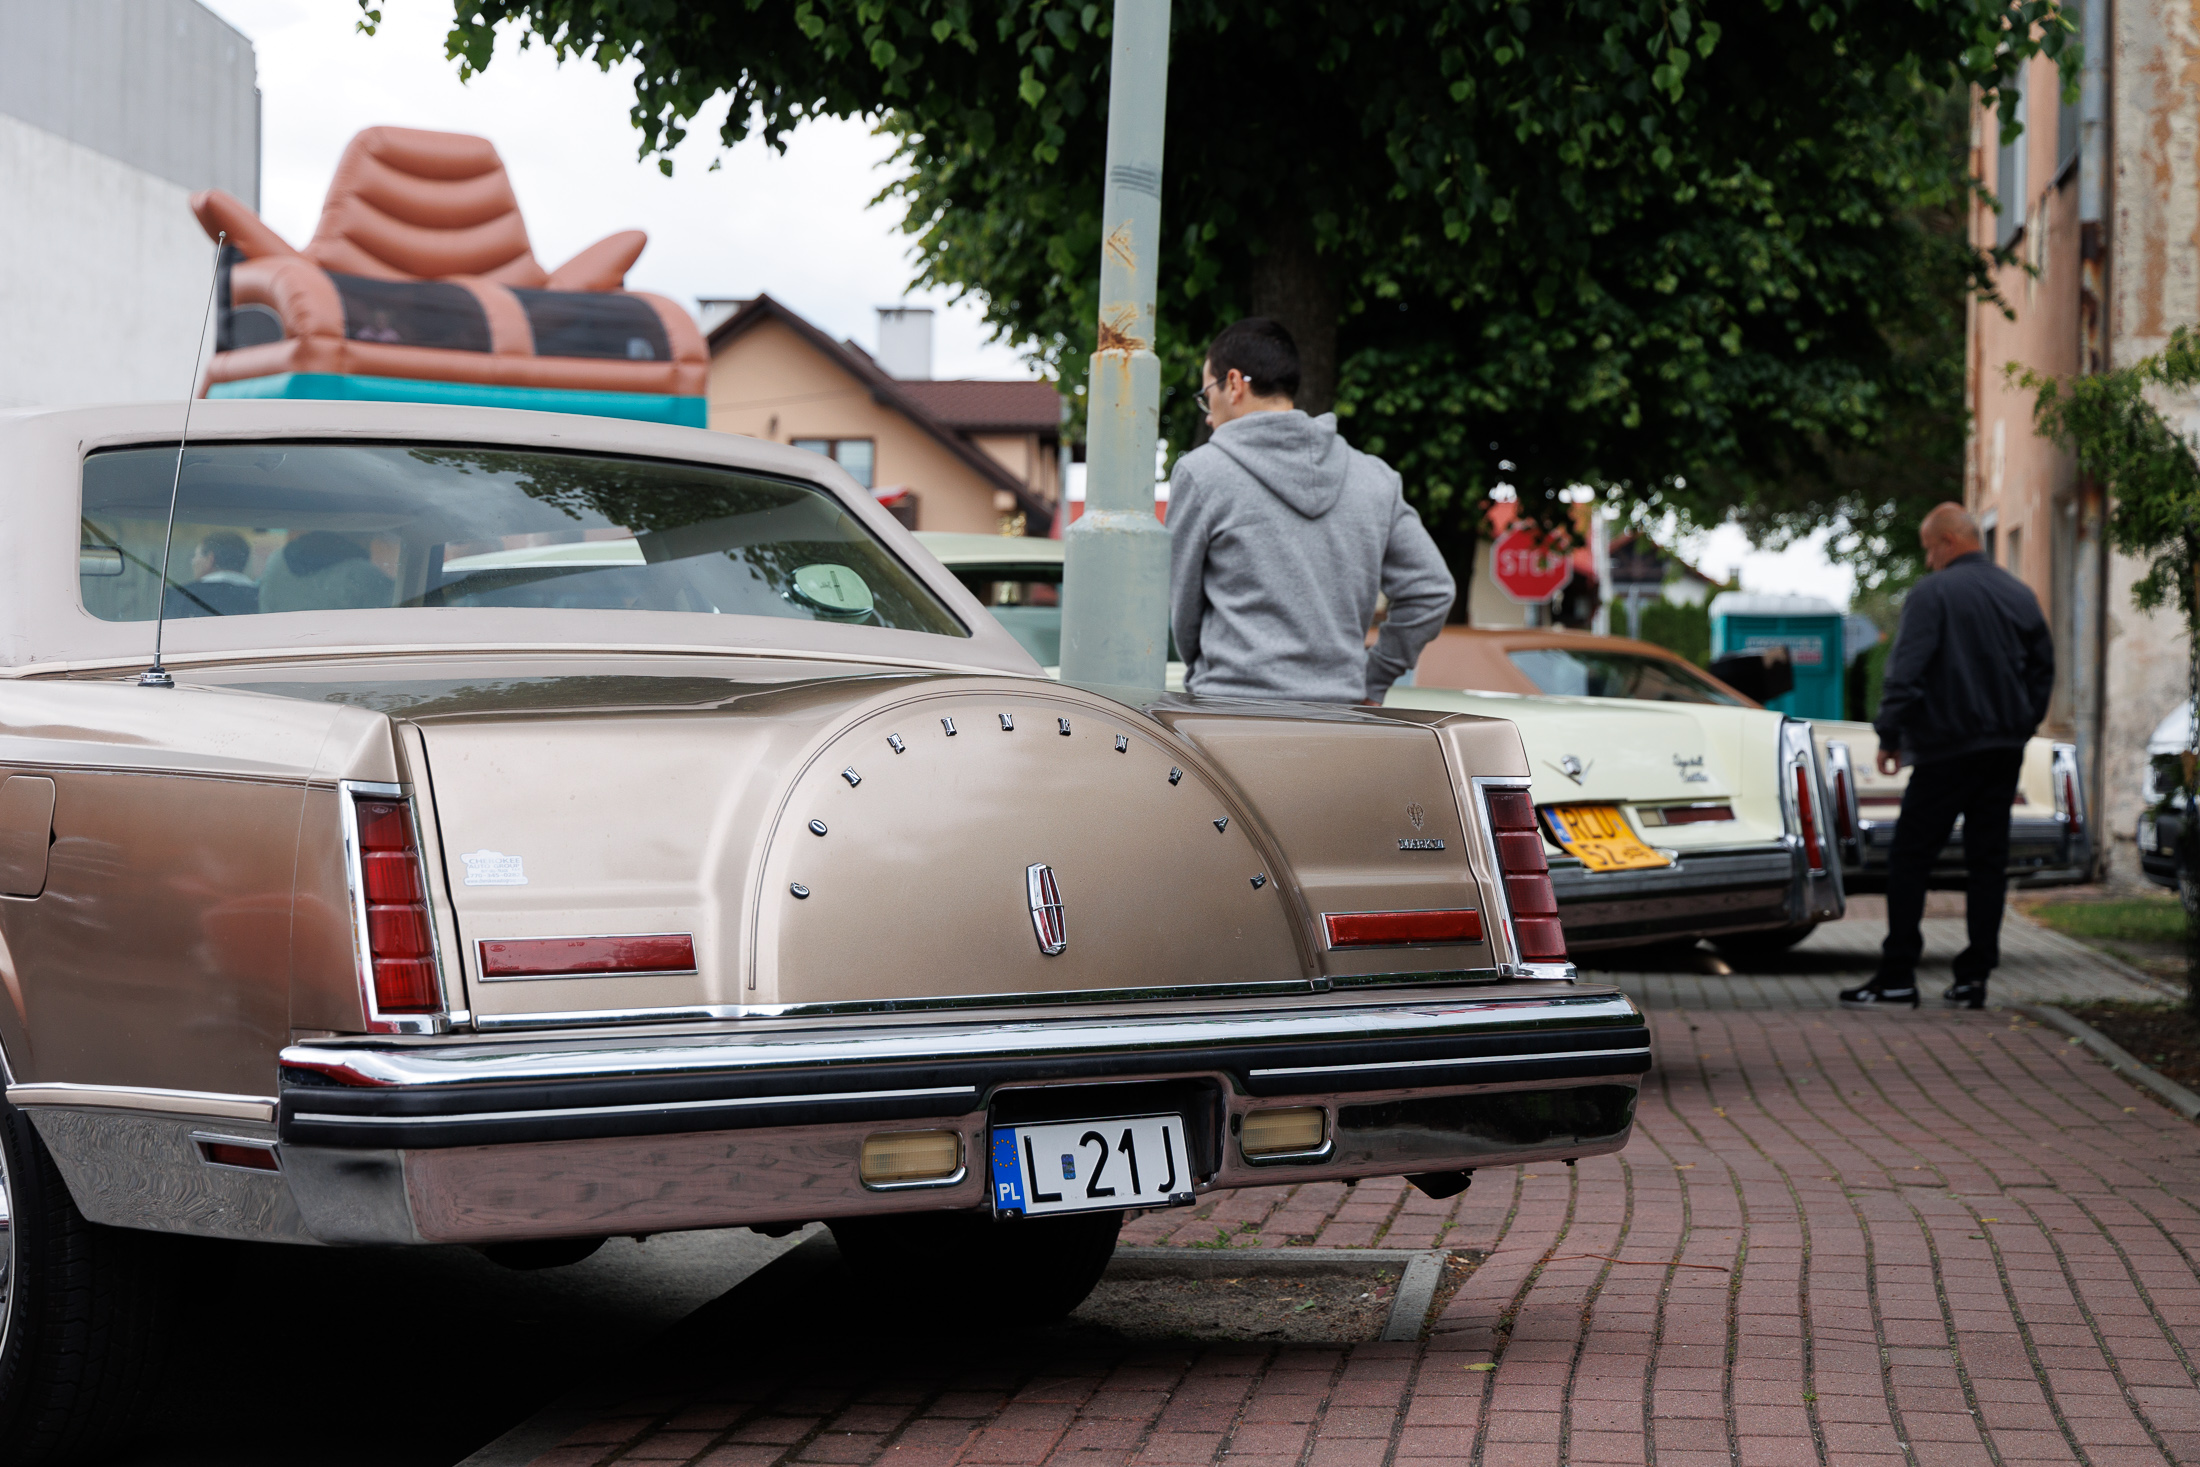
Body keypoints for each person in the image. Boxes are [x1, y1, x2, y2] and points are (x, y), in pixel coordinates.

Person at [1167, 318, 1454, 703]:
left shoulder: (1202, 474)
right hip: (1339, 721)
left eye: (1206, 395)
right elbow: (1431, 590)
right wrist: (1375, 677)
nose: (1207, 414)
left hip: (1229, 714)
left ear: (1234, 384)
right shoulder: (1375, 478)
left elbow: (1183, 612)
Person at [1841, 503, 2053, 1010]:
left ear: (1949, 541)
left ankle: (1898, 975)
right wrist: (2020, 726)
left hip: (1945, 749)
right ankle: (1974, 979)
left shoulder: (1932, 593)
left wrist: (1890, 735)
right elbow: (2042, 670)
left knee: (1909, 857)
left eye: (1929, 549)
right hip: (2002, 750)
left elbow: (1906, 670)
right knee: (1988, 862)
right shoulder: (2018, 594)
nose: (1928, 560)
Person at [162, 530, 259, 617]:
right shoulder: (259, 596)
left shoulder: (183, 596)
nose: (193, 561)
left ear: (210, 559)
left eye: (196, 555)